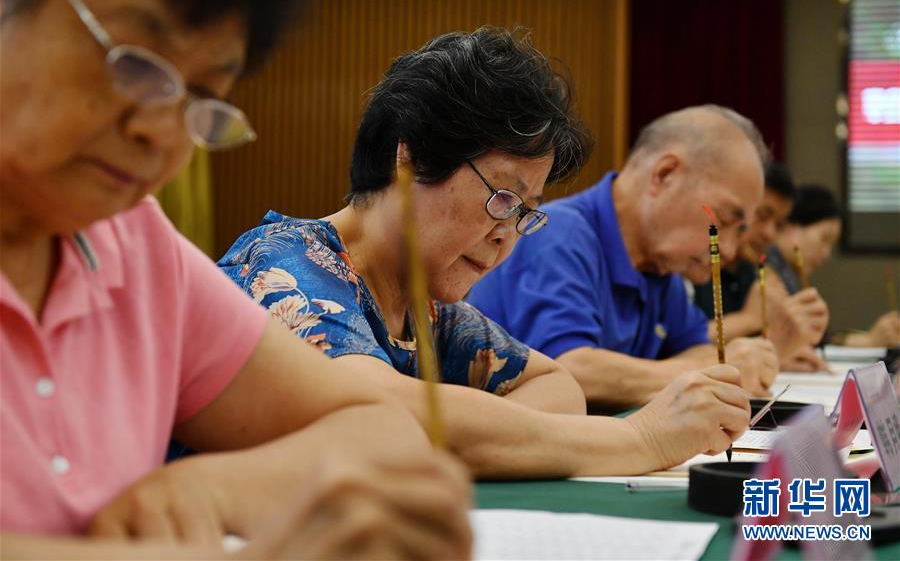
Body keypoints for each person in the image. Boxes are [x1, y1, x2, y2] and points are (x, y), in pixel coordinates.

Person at [0, 0, 471, 559]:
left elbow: (384, 433)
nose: (159, 132)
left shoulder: (135, 247)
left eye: (202, 98)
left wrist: (209, 490)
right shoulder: (290, 261)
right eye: (134, 64)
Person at [220, 29, 753, 479]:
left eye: (525, 213)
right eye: (502, 198)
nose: (507, 236)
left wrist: (474, 441)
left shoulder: (426, 309)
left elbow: (557, 385)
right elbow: (375, 413)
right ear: (410, 159)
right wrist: (639, 439)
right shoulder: (284, 266)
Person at [469, 105, 779, 412]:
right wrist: (713, 369)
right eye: (722, 221)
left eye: (740, 232)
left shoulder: (661, 267)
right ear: (664, 174)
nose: (729, 250)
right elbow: (569, 371)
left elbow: (697, 349)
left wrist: (704, 365)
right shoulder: (558, 233)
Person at [692, 163, 830, 372]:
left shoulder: (750, 270)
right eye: (762, 216)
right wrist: (748, 320)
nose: (769, 234)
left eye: (779, 225)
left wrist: (779, 350)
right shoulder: (693, 262)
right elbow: (675, 348)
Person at [768, 185, 900, 347]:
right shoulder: (766, 268)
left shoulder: (785, 272)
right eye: (825, 238)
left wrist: (870, 340)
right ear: (790, 227)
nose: (826, 254)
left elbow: (817, 339)